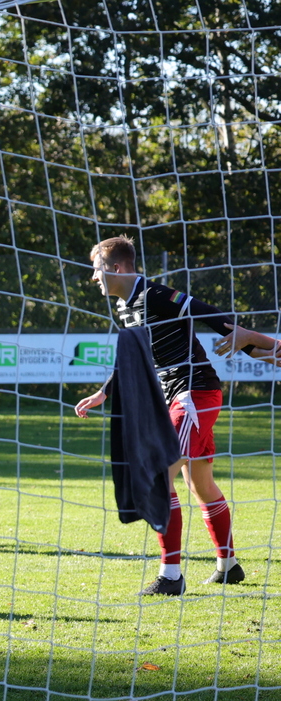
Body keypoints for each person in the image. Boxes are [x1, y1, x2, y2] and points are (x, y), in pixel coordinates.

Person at [73, 235, 268, 593]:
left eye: (97, 268)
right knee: (200, 483)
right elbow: (134, 356)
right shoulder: (124, 307)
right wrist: (104, 392)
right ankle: (229, 566)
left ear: (116, 267)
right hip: (176, 398)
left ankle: (171, 576)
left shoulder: (155, 294)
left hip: (194, 394)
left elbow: (206, 312)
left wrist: (248, 340)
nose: (94, 277)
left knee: (159, 476)